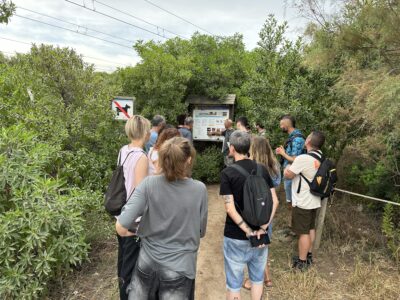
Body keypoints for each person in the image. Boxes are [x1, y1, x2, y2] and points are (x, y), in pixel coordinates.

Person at [116, 137, 208, 299]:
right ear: (189, 159)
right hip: (180, 268)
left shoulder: (148, 185)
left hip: (147, 264)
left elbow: (121, 227)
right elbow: (200, 231)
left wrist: (139, 232)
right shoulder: (199, 190)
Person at [220, 131, 279, 300]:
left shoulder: (228, 173)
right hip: (260, 236)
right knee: (257, 279)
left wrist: (247, 230)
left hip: (235, 236)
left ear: (231, 148)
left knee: (234, 284)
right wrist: (262, 228)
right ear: (248, 147)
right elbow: (274, 201)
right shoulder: (261, 169)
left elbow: (230, 208)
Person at [116, 115, 151, 300]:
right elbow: (140, 194)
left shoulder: (124, 150)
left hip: (122, 215)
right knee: (131, 271)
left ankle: (122, 292)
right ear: (144, 132)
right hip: (134, 222)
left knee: (122, 264)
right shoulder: (141, 157)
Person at [242, 136, 281, 290]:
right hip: (269, 208)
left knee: (254, 245)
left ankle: (254, 280)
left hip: (253, 209)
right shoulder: (274, 164)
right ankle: (267, 277)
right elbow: (277, 183)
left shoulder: (251, 166)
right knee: (263, 242)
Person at [284, 130, 326, 271]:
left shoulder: (303, 158)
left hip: (303, 200)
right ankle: (307, 255)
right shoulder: (320, 157)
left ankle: (301, 262)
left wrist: (287, 168)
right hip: (314, 199)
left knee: (303, 232)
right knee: (310, 228)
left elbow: (289, 175)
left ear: (308, 141)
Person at [275, 115, 305, 212]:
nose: (280, 127)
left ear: (286, 125)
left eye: (281, 125)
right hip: (290, 177)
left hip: (294, 178)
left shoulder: (297, 139)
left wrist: (283, 154)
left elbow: (295, 159)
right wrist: (282, 152)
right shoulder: (292, 137)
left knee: (293, 205)